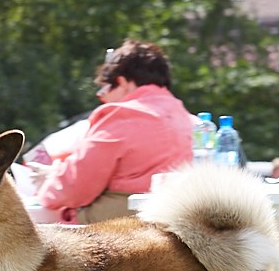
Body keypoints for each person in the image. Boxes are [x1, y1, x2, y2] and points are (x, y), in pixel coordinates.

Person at [28, 39, 194, 222]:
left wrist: (48, 185)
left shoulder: (123, 116)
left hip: (121, 232)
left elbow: (76, 187)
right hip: (179, 224)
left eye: (105, 89)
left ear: (123, 83)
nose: (102, 97)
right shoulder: (189, 120)